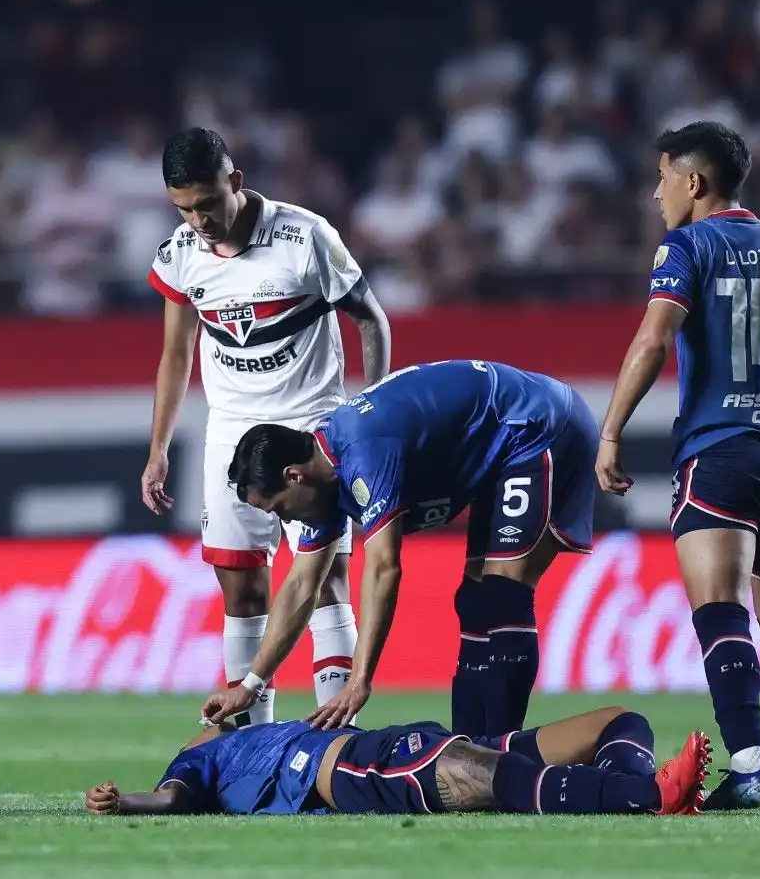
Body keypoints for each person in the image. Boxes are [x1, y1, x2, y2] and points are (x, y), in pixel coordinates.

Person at [594, 121, 760, 809]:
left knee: (720, 610)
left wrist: (611, 431)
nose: (656, 195)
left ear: (695, 181)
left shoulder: (685, 246)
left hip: (720, 447)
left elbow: (654, 338)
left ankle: (745, 767)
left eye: (661, 179)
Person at [141, 127, 391, 723]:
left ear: (235, 182)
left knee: (327, 579)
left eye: (207, 203)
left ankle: (337, 743)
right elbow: (176, 354)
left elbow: (372, 321)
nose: (198, 220)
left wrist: (369, 413)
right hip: (231, 434)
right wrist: (158, 449)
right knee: (241, 591)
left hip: (310, 427)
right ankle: (254, 746)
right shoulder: (180, 255)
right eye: (184, 208)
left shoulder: (304, 236)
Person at [206, 359, 596, 737]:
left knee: (503, 593)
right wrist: (251, 684)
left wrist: (359, 681)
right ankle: (477, 747)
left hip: (538, 426)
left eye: (279, 509)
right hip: (499, 450)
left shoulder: (363, 452)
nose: (287, 521)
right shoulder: (324, 477)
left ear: (293, 476)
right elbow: (301, 585)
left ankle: (503, 751)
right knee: (475, 601)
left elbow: (384, 568)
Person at [85, 705, 710, 818]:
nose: (207, 727)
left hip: (381, 741)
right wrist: (124, 802)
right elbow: (169, 799)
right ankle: (644, 796)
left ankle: (627, 779)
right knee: (475, 775)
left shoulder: (244, 735)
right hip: (346, 770)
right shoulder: (198, 765)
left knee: (617, 722)